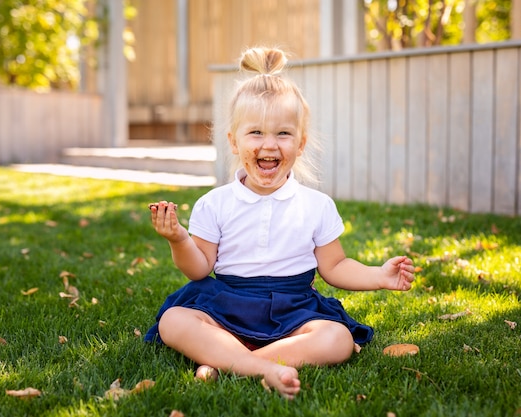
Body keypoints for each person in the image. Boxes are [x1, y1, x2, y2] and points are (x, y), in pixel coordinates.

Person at [144, 46, 415, 400]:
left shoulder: (317, 205)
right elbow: (199, 270)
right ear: (233, 142)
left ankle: (227, 362)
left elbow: (335, 266)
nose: (269, 144)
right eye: (255, 132)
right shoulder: (215, 203)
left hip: (294, 311)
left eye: (283, 134)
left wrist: (379, 275)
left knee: (338, 339)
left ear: (300, 144)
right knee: (173, 322)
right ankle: (264, 368)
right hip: (227, 305)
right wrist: (178, 239)